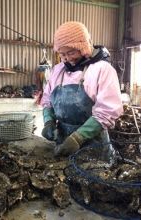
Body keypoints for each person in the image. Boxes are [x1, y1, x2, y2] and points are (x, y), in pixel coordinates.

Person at [40, 21, 123, 157]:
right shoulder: (58, 70)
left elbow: (107, 111)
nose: (67, 59)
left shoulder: (102, 70)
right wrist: (48, 122)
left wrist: (78, 138)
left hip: (94, 147)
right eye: (62, 54)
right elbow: (47, 100)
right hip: (63, 143)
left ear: (83, 47)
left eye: (71, 52)